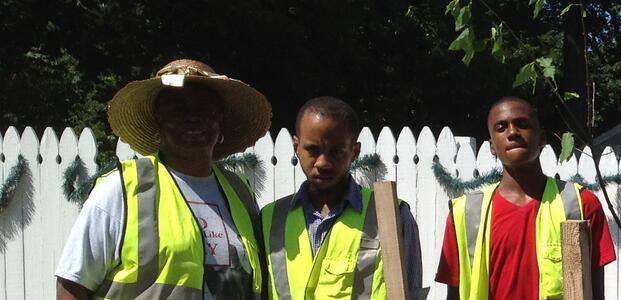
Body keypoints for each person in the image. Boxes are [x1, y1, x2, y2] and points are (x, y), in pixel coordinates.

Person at [55, 59, 271, 299]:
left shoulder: (240, 194)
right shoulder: (123, 189)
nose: (192, 118)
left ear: (220, 121)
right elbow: (72, 285)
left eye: (204, 110)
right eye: (177, 110)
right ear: (158, 119)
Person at [435, 96, 616, 299]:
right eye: (501, 127)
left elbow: (595, 292)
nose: (512, 132)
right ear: (492, 147)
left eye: (522, 124)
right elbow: (454, 295)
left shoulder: (581, 204)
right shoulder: (465, 214)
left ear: (541, 139)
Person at [260, 97, 424, 299]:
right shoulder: (270, 218)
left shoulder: (392, 215)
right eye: (313, 150)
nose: (323, 163)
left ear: (355, 152)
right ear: (296, 147)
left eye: (336, 151)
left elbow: (410, 294)